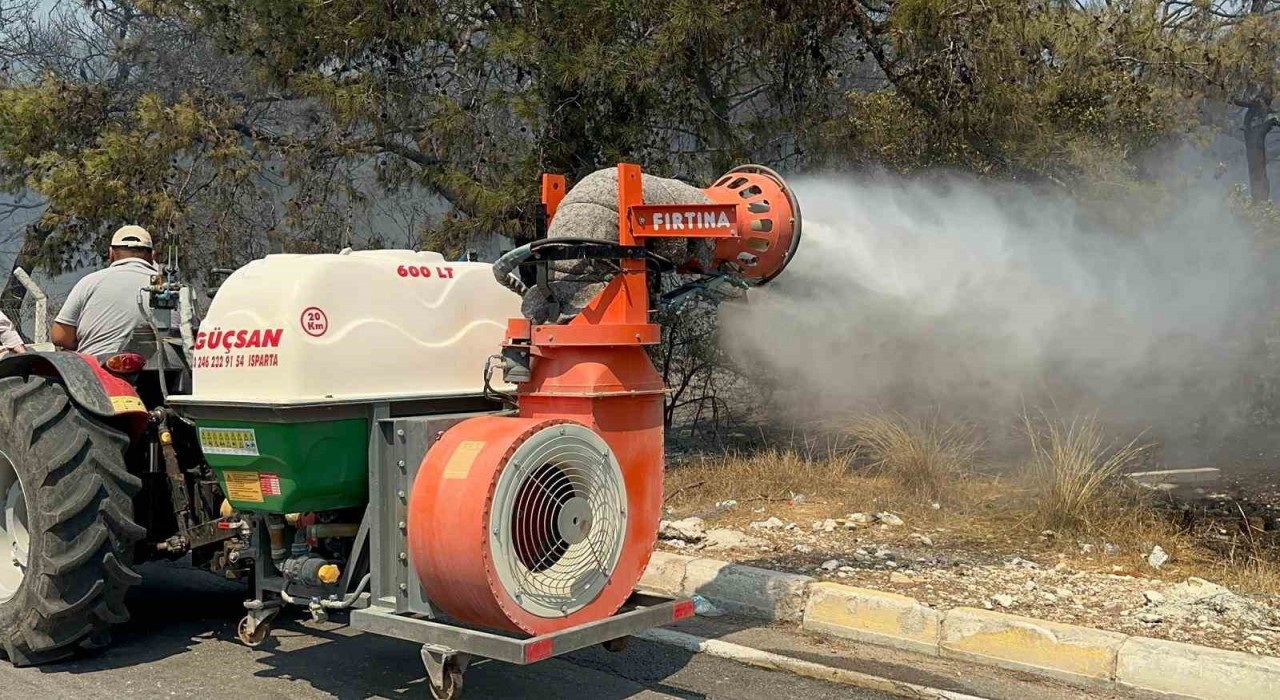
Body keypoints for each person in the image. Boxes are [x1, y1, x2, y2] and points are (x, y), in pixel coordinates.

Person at [53, 225, 159, 357]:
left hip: (97, 369)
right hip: (163, 370)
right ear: (152, 256)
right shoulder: (174, 287)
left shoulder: (89, 282)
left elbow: (60, 336)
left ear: (111, 253)